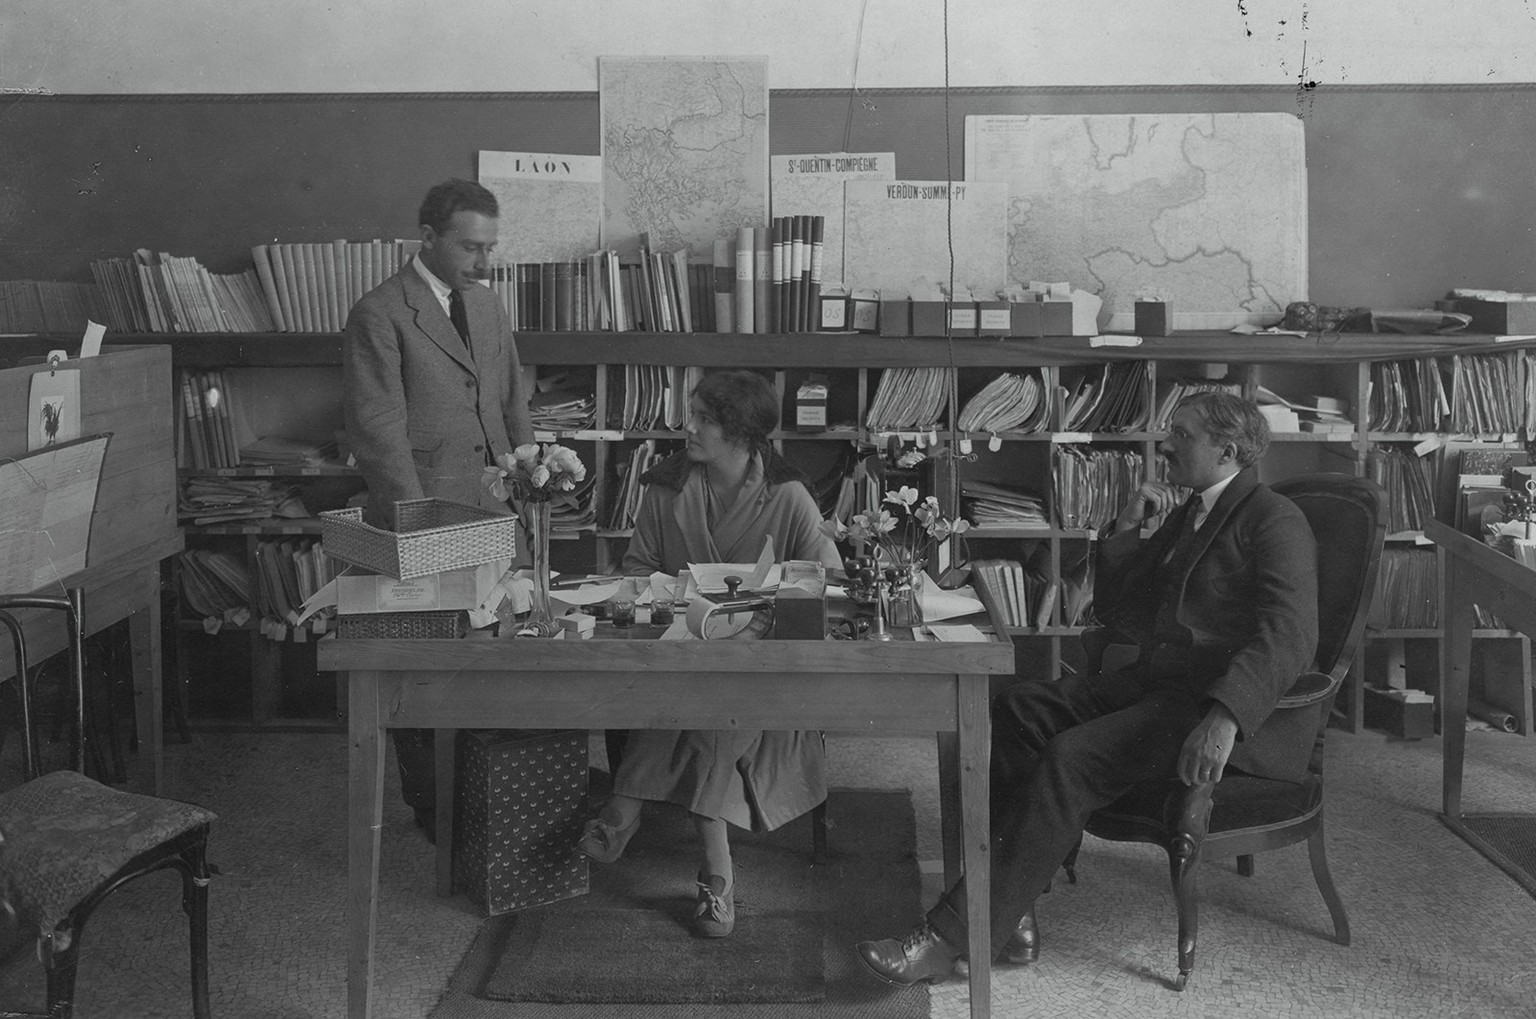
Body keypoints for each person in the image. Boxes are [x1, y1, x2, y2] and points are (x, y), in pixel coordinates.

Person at [856, 390, 1319, 985]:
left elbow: (1290, 636)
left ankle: (949, 937)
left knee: (1070, 759)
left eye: (1181, 434)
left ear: (1227, 451)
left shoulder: (1274, 518)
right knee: (1019, 708)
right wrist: (1124, 531)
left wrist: (1225, 718)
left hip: (1206, 707)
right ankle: (1014, 908)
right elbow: (1124, 609)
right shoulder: (1188, 509)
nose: (1165, 444)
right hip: (1155, 683)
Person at [579, 369, 842, 938]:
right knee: (701, 689)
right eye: (691, 414)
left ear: (742, 434)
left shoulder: (789, 496)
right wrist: (666, 599)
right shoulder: (666, 489)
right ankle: (715, 873)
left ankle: (633, 812)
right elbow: (637, 569)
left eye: (703, 419)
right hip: (681, 650)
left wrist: (768, 611)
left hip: (766, 666)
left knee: (720, 697)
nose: (687, 427)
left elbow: (829, 581)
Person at [342, 178, 535, 839]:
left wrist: (529, 469)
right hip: (424, 516)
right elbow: (378, 431)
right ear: (426, 238)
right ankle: (431, 806)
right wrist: (416, 529)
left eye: (492, 247)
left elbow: (510, 400)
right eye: (471, 248)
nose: (485, 263)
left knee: (503, 650)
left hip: (495, 507)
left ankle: (490, 790)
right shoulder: (380, 313)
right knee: (425, 669)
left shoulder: (486, 305)